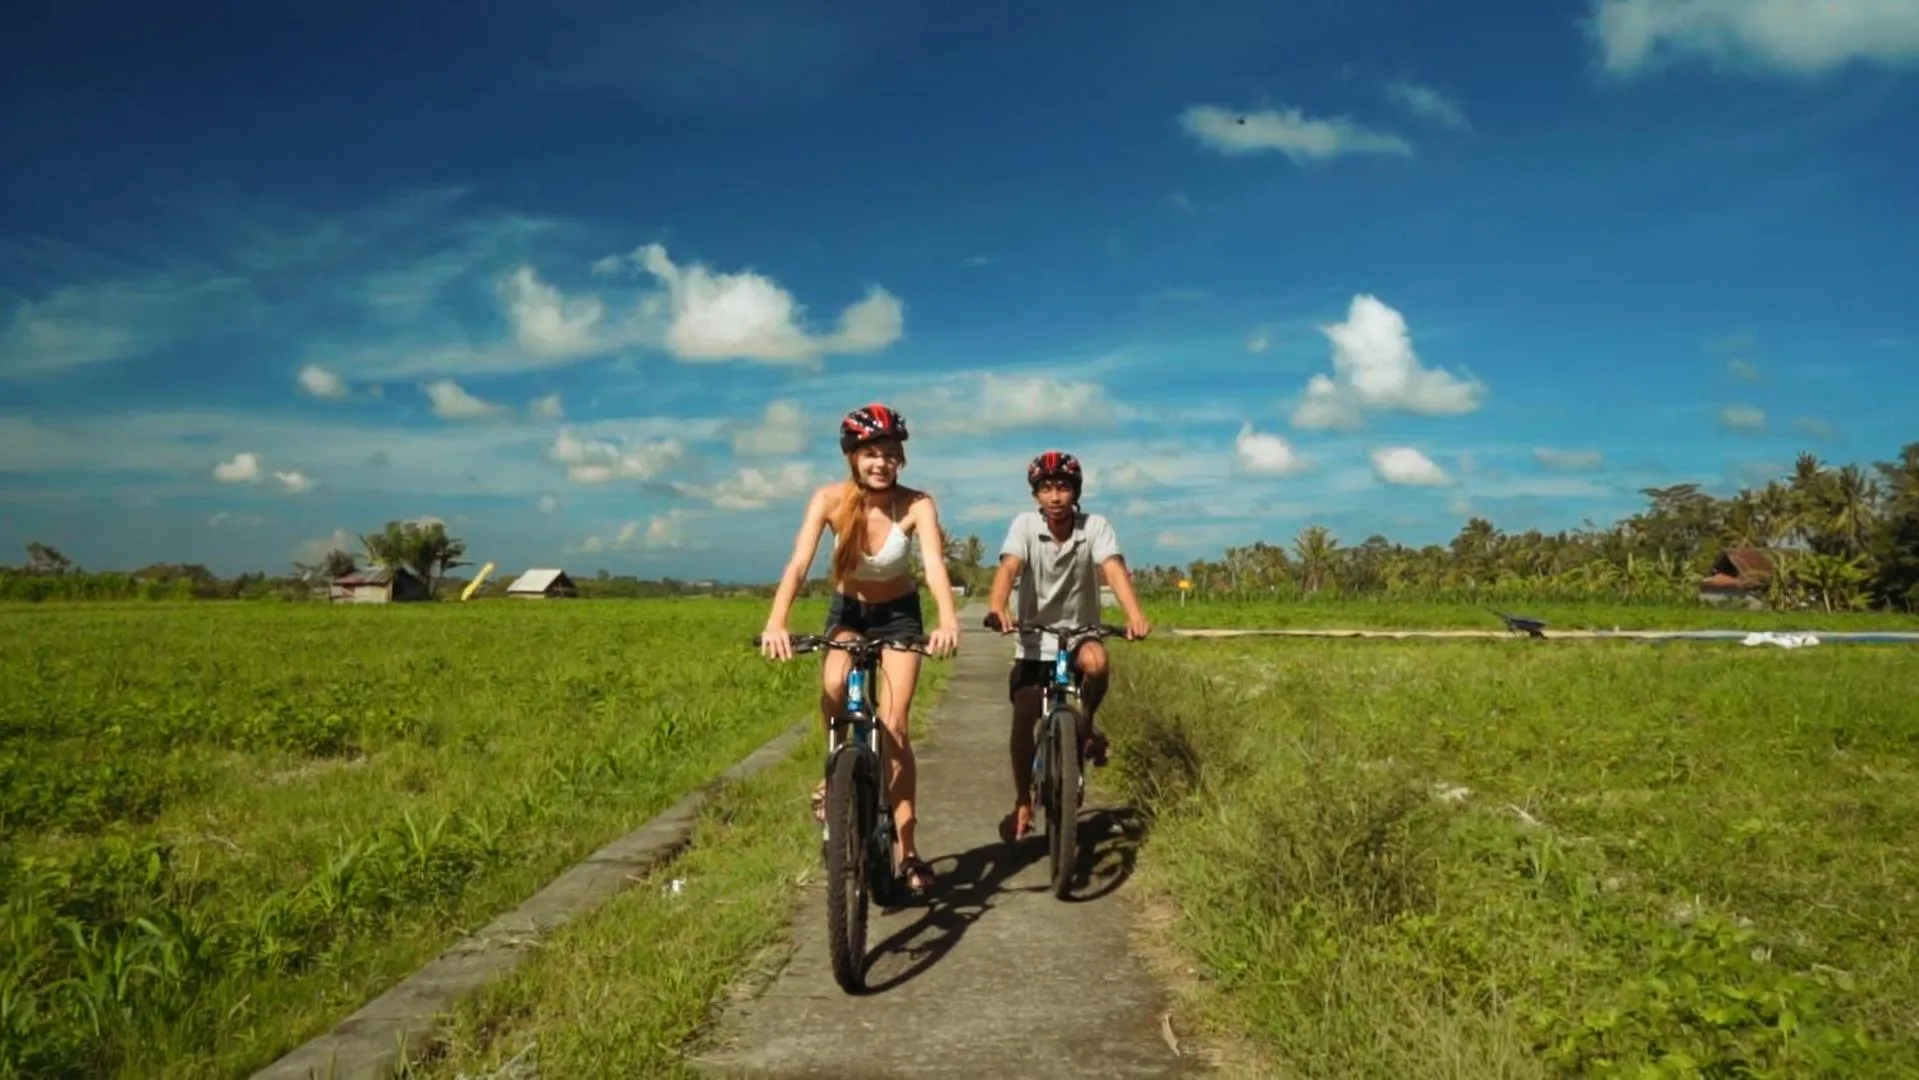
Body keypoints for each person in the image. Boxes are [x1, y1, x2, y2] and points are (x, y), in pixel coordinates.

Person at [760, 402, 961, 895]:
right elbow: (799, 563)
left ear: (902, 460)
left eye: (891, 454)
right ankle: (835, 779)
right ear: (852, 456)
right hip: (848, 614)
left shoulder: (917, 504)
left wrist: (947, 620)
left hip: (898, 616)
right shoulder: (829, 499)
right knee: (832, 684)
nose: (881, 463)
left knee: (894, 725)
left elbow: (933, 566)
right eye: (871, 453)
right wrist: (776, 621)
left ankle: (907, 849)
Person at [986, 450, 1150, 843]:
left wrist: (1134, 614)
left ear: (1075, 492)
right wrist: (997, 607)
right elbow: (1009, 567)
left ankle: (1088, 725)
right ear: (1036, 495)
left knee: (1096, 662)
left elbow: (1112, 567)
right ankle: (1023, 800)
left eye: (1062, 487)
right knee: (1025, 716)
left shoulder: (1095, 526)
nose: (1055, 496)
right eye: (1046, 488)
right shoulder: (1024, 526)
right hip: (1033, 634)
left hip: (1080, 631)